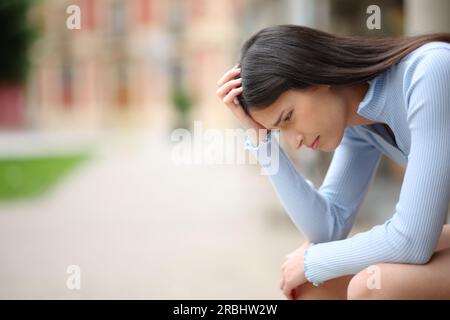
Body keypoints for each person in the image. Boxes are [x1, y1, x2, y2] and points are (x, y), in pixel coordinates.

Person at [216, 25, 450, 300]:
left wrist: (311, 261)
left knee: (372, 287)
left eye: (288, 117)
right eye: (279, 131)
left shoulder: (431, 72)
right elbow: (327, 228)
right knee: (312, 288)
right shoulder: (359, 125)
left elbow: (411, 242)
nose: (295, 142)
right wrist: (260, 141)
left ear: (316, 73)